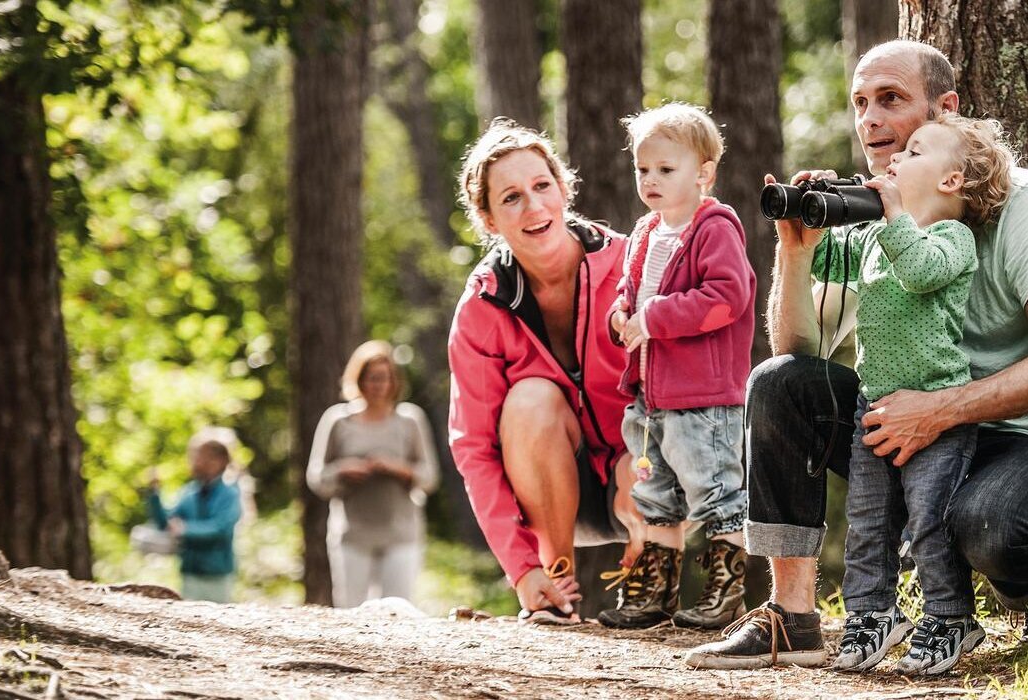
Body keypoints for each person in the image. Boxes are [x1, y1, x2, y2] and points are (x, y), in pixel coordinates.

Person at [687, 39, 1028, 670]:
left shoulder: (1027, 203)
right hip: (918, 426)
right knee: (779, 383)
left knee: (991, 525)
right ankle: (794, 615)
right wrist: (796, 248)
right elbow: (797, 356)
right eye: (860, 103)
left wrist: (941, 410)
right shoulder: (874, 215)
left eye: (891, 99)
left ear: (945, 110)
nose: (870, 119)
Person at [818, 115, 1016, 675]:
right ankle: (871, 613)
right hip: (873, 406)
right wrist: (813, 214)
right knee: (868, 520)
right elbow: (829, 263)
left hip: (937, 407)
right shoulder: (883, 235)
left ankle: (950, 616)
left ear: (950, 181)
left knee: (930, 519)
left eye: (913, 152)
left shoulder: (952, 239)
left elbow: (923, 273)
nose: (895, 160)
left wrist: (892, 216)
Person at [447, 119, 641, 625]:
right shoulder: (482, 307)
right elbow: (474, 448)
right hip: (553, 492)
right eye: (510, 198)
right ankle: (556, 590)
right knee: (531, 399)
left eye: (541, 186)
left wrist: (648, 474)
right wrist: (522, 567)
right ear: (488, 220)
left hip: (640, 473)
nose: (533, 208)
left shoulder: (630, 265)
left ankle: (652, 586)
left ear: (563, 189)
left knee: (654, 445)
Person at [597, 103, 757, 630]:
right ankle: (655, 590)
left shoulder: (714, 230)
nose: (651, 180)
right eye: (643, 169)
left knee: (714, 491)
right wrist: (622, 312)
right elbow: (632, 287)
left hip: (703, 398)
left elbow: (726, 297)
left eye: (666, 170)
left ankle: (725, 589)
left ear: (704, 174)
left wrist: (653, 317)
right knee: (655, 492)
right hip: (651, 393)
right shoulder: (645, 231)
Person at [308, 340, 441, 608]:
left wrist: (397, 468)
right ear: (358, 380)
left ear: (395, 382)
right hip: (352, 535)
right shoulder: (337, 420)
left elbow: (429, 478)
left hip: (401, 534)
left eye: (385, 378)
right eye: (372, 378)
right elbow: (317, 477)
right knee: (351, 612)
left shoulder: (410, 420)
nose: (379, 385)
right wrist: (343, 470)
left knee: (398, 611)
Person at [144, 437, 244, 603]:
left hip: (217, 575)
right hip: (191, 573)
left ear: (218, 461)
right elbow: (166, 524)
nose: (194, 462)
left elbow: (220, 529)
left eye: (199, 456)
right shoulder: (189, 493)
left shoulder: (230, 494)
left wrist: (185, 529)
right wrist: (155, 495)